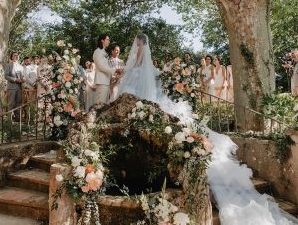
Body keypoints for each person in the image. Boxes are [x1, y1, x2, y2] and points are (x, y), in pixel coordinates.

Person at [117, 35, 298, 225]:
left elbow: (135, 68)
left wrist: (124, 74)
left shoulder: (140, 56)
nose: (135, 45)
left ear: (140, 43)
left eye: (137, 43)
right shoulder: (147, 61)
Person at [93, 34, 122, 104]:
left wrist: (114, 76)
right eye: (107, 39)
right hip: (101, 81)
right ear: (102, 40)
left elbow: (107, 67)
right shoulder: (97, 52)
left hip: (106, 81)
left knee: (104, 105)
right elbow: (101, 67)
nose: (109, 41)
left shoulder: (104, 52)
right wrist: (115, 70)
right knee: (100, 104)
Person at [5, 52, 25, 121]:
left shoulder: (21, 66)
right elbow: (6, 76)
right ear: (12, 57)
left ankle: (18, 118)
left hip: (19, 88)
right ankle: (9, 119)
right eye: (15, 55)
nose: (16, 56)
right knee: (11, 103)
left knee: (19, 103)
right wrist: (15, 79)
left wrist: (23, 79)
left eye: (17, 55)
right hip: (12, 87)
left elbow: (22, 77)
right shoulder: (8, 65)